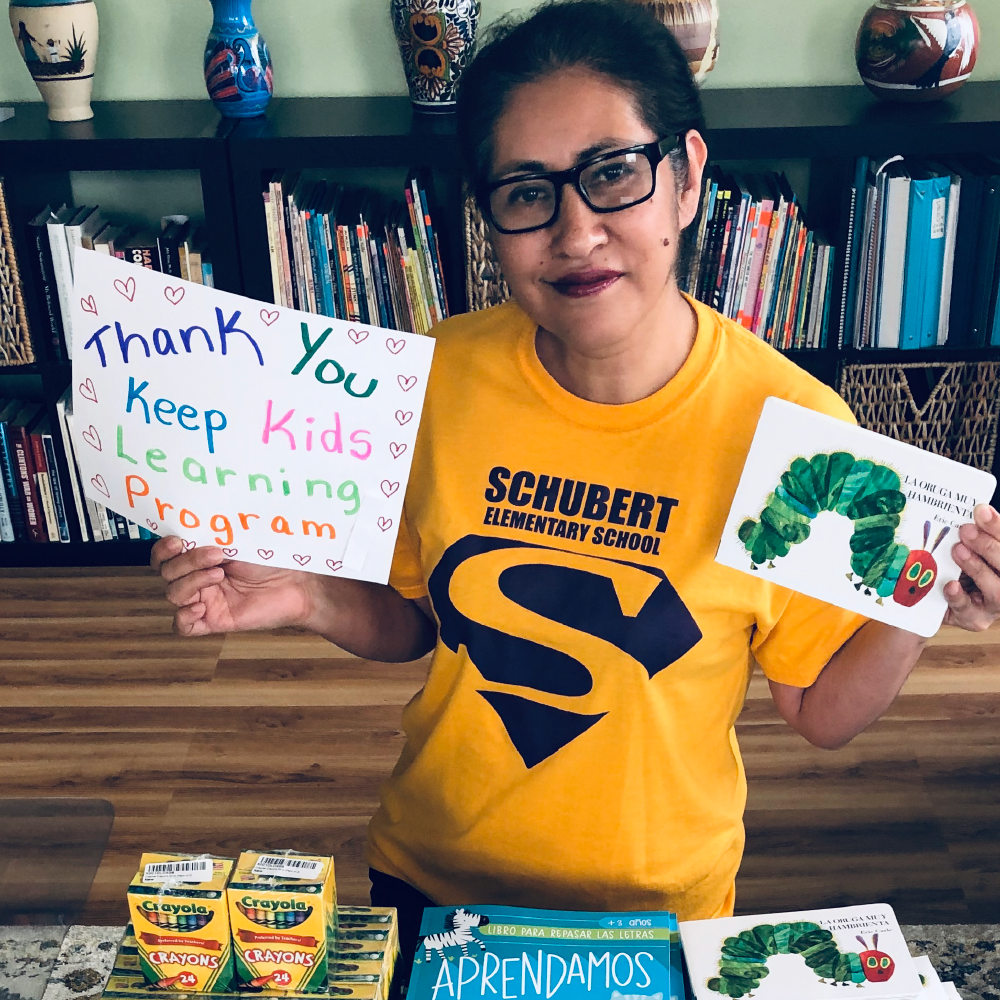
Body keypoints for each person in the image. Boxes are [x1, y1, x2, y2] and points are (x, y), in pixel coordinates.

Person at [152, 0, 1000, 968]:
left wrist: (915, 604)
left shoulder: (799, 440)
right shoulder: (432, 377)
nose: (575, 229)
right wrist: (305, 591)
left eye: (611, 174)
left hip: (655, 919)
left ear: (685, 178)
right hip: (435, 887)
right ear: (489, 220)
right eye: (526, 191)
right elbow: (419, 619)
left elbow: (819, 710)